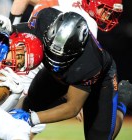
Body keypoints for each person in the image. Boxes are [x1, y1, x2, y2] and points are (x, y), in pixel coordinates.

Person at [9, 8, 126, 140]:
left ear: (79, 49)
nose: (55, 58)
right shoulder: (44, 21)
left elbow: (72, 107)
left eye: (62, 55)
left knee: (100, 138)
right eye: (51, 51)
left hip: (99, 81)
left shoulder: (90, 62)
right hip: (54, 74)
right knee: (27, 106)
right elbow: (11, 31)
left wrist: (32, 119)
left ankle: (121, 103)